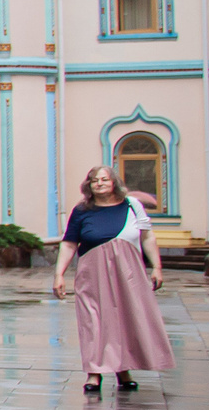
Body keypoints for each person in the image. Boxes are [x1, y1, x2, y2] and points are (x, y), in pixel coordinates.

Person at [55, 164, 173, 394]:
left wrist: (157, 267)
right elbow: (69, 244)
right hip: (92, 274)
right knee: (93, 320)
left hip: (128, 273)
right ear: (88, 185)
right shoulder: (82, 210)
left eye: (104, 179)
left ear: (114, 182)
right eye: (94, 180)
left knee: (125, 319)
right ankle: (94, 373)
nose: (99, 183)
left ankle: (123, 370)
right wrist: (59, 274)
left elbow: (147, 237)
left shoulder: (132, 205)